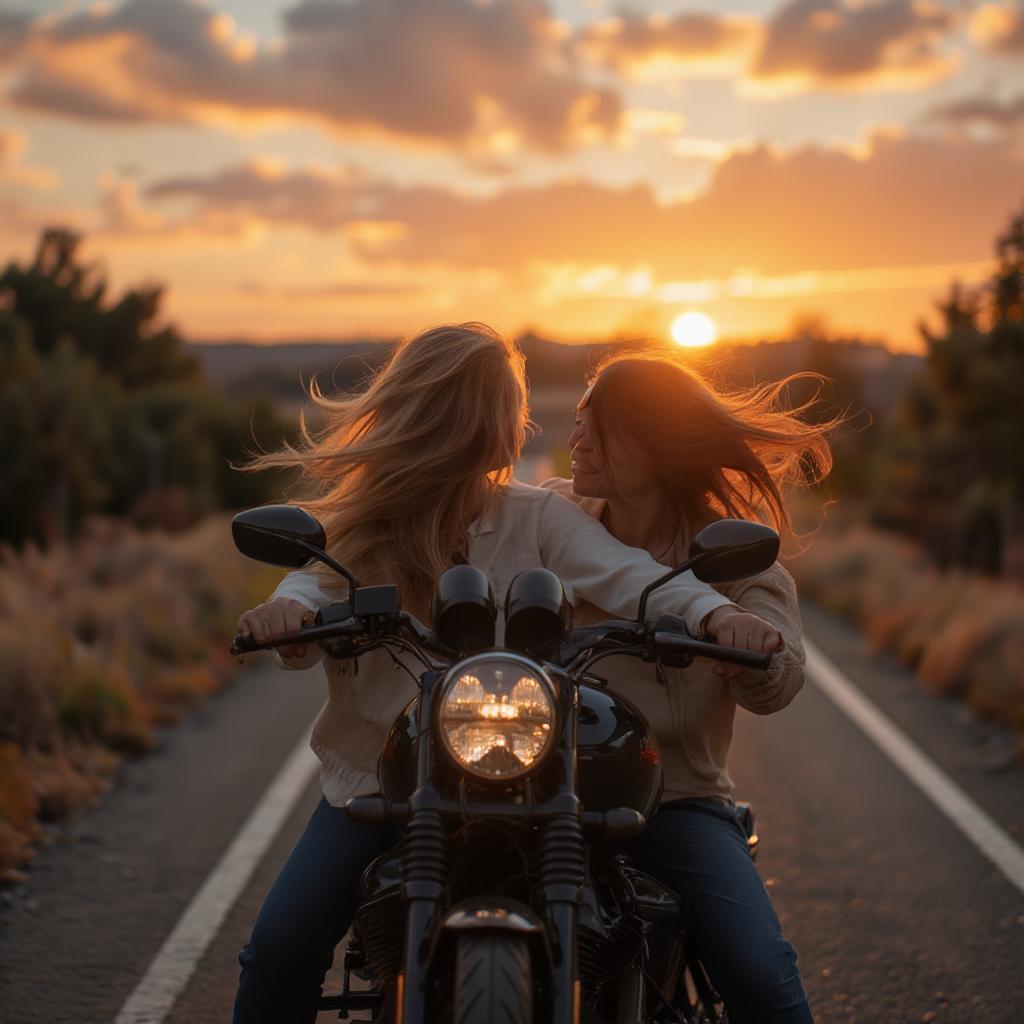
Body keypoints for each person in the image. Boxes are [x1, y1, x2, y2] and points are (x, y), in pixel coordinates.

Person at [231, 323, 782, 1024]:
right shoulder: (363, 523)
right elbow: (313, 588)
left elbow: (634, 577)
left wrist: (712, 616)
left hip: (529, 772)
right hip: (383, 775)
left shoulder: (539, 517)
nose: (517, 425)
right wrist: (283, 616)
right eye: (503, 406)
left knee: (729, 956)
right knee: (279, 949)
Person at [548, 347, 839, 1023]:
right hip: (537, 785)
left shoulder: (730, 554)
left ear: (653, 444)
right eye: (579, 420)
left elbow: (782, 676)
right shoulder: (551, 520)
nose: (576, 438)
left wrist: (750, 648)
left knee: (760, 973)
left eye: (599, 426)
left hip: (672, 799)